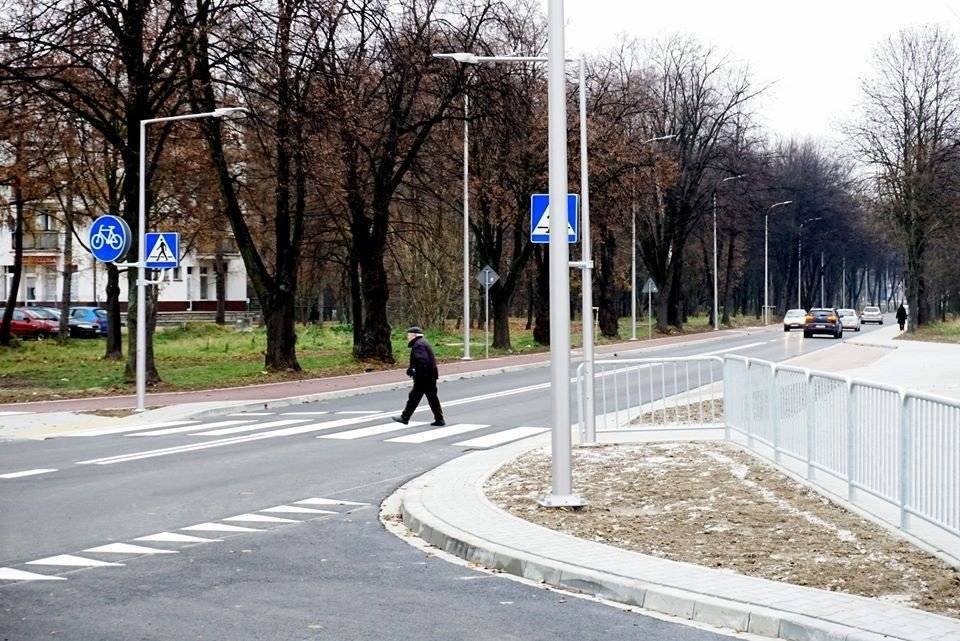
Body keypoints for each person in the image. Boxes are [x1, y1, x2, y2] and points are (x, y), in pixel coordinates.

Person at [393, 326, 445, 427]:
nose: (407, 337)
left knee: (414, 397)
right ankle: (439, 419)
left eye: (408, 335)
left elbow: (422, 360)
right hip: (430, 376)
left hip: (423, 377)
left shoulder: (418, 345)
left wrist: (414, 371)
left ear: (413, 335)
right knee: (431, 398)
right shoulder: (423, 342)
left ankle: (405, 417)